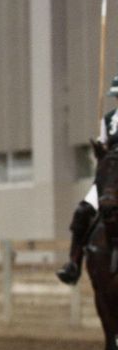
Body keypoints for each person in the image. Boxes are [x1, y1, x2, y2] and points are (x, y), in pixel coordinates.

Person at [57, 74, 118, 284]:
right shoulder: (108, 119)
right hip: (110, 178)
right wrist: (99, 150)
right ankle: (74, 263)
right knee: (82, 211)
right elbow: (102, 148)